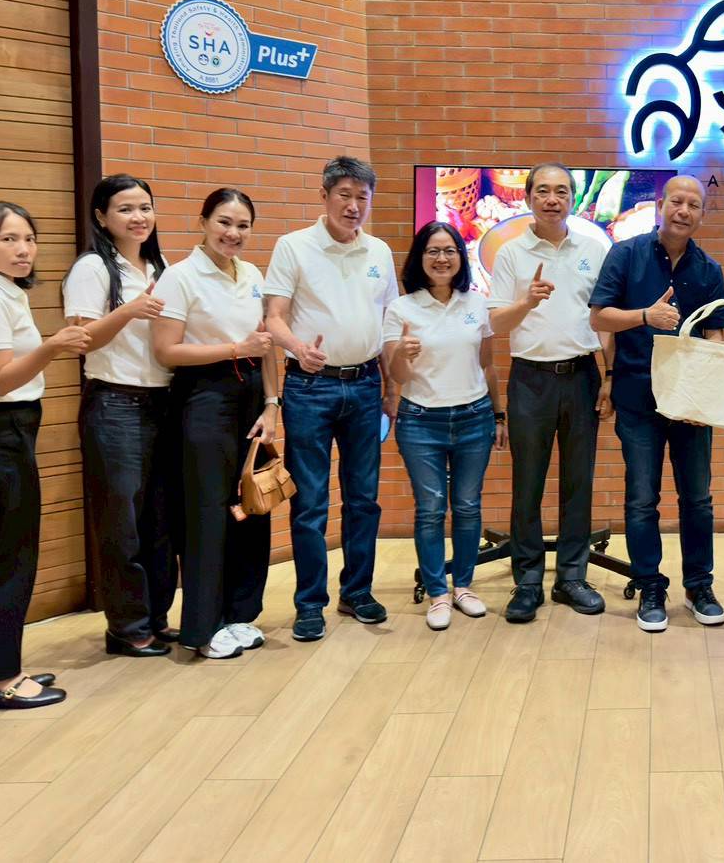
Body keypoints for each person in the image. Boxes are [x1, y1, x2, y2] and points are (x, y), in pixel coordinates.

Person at [0, 201, 83, 710]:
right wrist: (53, 346)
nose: (23, 249)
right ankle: (1, 677)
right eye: (8, 239)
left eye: (29, 238)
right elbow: (0, 380)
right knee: (9, 558)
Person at [264, 156, 398, 643]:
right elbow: (273, 317)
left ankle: (357, 591)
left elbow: (390, 324)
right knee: (311, 502)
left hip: (365, 385)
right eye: (344, 194)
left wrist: (392, 389)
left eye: (363, 196)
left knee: (363, 499)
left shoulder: (379, 250)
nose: (354, 205)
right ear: (324, 196)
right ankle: (309, 603)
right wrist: (298, 348)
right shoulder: (294, 246)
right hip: (310, 388)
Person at [589, 175, 724, 632]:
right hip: (638, 397)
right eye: (676, 201)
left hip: (690, 403)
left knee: (698, 499)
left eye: (693, 204)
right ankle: (650, 584)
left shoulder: (708, 269)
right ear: (660, 205)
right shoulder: (625, 254)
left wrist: (708, 397)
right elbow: (599, 316)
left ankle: (699, 585)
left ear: (701, 214)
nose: (683, 210)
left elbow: (715, 335)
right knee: (642, 499)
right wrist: (645, 316)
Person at [152, 189, 280, 659]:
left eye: (243, 225)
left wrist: (272, 404)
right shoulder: (179, 277)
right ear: (203, 221)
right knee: (208, 512)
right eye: (224, 222)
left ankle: (239, 615)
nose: (233, 233)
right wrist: (235, 349)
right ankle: (202, 630)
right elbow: (165, 351)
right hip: (204, 396)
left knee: (250, 505)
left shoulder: (252, 274)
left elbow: (266, 345)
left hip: (252, 395)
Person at [486, 163, 613, 623]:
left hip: (582, 376)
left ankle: (572, 577)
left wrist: (610, 376)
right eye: (543, 191)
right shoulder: (511, 254)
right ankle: (527, 582)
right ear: (528, 199)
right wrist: (527, 301)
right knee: (528, 483)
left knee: (579, 481)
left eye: (562, 191)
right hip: (530, 380)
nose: (552, 199)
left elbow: (604, 318)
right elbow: (495, 322)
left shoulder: (595, 249)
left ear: (573, 199)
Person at [63, 173, 180, 658]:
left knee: (160, 521)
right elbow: (82, 340)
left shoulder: (160, 265)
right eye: (126, 209)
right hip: (115, 405)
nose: (139, 217)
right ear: (101, 216)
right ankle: (127, 627)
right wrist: (129, 310)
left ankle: (156, 616)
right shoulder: (93, 268)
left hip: (163, 403)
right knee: (122, 523)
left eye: (145, 207)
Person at [383, 221, 504, 631]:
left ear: (460, 258)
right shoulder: (401, 309)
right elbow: (397, 376)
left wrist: (499, 414)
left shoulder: (476, 304)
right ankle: (437, 592)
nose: (441, 258)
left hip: (474, 417)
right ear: (419, 258)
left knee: (468, 506)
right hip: (421, 422)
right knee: (431, 509)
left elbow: (487, 365)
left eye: (449, 250)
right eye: (432, 251)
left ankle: (464, 586)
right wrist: (402, 353)